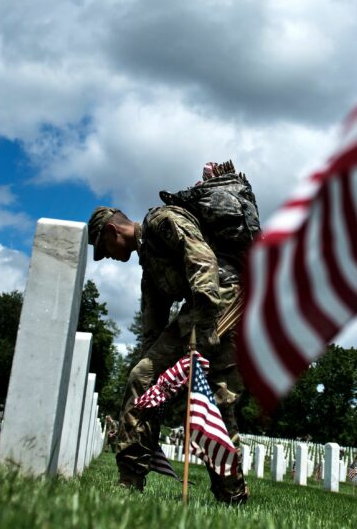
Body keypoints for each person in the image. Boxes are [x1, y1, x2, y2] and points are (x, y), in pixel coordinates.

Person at [89, 203, 248, 504]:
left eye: (103, 247)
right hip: (202, 313)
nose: (106, 255)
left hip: (224, 302)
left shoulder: (161, 221)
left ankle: (232, 495)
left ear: (112, 230)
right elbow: (153, 326)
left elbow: (202, 259)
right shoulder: (148, 266)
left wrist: (203, 322)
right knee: (143, 376)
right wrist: (157, 369)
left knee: (218, 401)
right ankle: (131, 476)